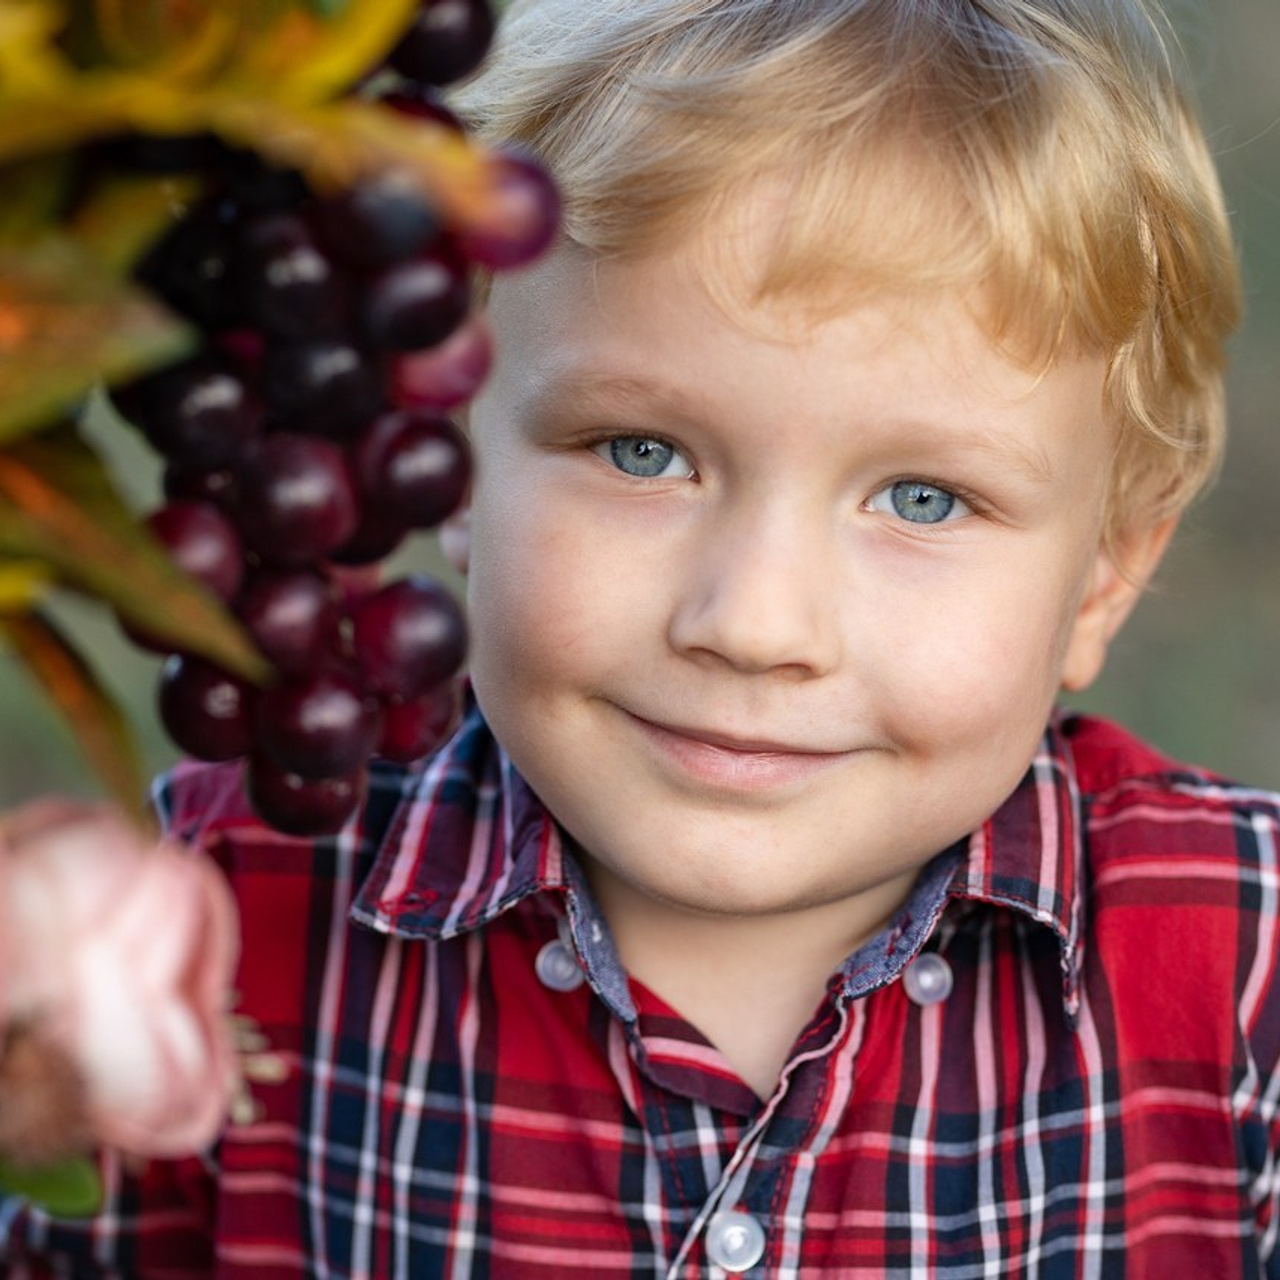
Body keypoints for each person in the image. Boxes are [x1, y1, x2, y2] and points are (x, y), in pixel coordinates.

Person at [5, 0, 1278, 1274]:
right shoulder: (210, 919)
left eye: (921, 498)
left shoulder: (1242, 967)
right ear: (438, 452)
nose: (751, 623)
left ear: (1104, 575)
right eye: (642, 452)